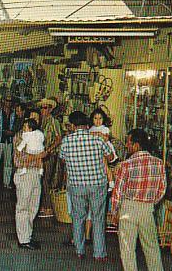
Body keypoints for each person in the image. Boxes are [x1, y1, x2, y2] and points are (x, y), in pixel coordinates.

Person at [59, 111, 114, 262]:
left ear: (72, 125)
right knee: (98, 218)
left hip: (76, 184)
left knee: (78, 218)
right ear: (87, 124)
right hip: (97, 184)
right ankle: (99, 253)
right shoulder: (97, 140)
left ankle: (79, 250)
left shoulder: (66, 141)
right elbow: (110, 157)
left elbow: (62, 160)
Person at [111, 129, 166, 271]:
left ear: (136, 145)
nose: (127, 145)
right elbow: (162, 190)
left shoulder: (126, 165)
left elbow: (118, 191)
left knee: (127, 249)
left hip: (128, 208)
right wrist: (150, 203)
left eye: (128, 142)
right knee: (152, 247)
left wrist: (114, 211)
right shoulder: (159, 163)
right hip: (148, 209)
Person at [13, 119, 47, 250]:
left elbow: (43, 153)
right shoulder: (20, 137)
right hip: (24, 174)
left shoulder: (38, 136)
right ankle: (23, 239)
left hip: (35, 173)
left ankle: (28, 234)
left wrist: (39, 158)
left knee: (33, 206)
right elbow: (19, 159)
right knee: (23, 207)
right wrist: (38, 156)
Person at [38, 98, 62, 218]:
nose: (43, 109)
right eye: (42, 107)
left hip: (50, 154)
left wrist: (48, 150)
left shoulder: (53, 121)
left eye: (45, 107)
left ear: (50, 109)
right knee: (42, 180)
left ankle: (48, 207)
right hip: (42, 154)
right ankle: (44, 205)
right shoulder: (42, 121)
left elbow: (58, 139)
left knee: (46, 180)